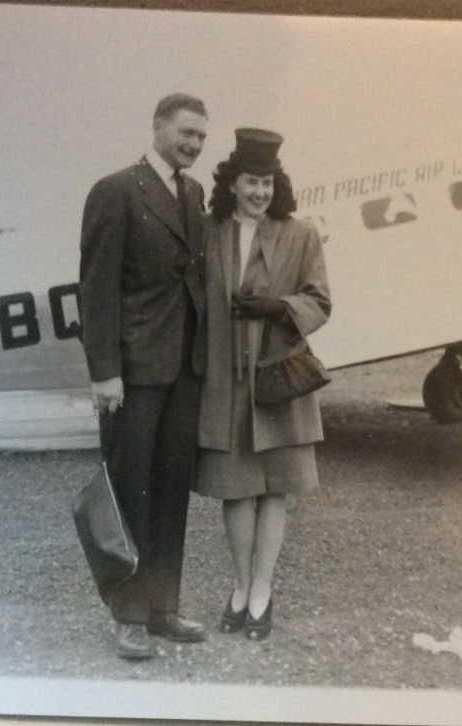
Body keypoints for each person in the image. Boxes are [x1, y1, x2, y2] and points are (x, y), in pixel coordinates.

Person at [77, 93, 209, 660]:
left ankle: (162, 608)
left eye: (202, 137)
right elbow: (97, 287)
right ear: (157, 126)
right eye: (185, 133)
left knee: (172, 488)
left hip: (183, 368)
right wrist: (105, 372)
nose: (194, 144)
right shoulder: (116, 190)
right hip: (133, 369)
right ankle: (127, 616)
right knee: (132, 487)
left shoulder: (194, 193)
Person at [195, 128, 331, 640]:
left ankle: (261, 594)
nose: (260, 193)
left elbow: (321, 301)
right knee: (236, 491)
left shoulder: (301, 234)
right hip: (225, 383)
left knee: (276, 491)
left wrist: (281, 308)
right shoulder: (208, 232)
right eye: (251, 182)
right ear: (232, 183)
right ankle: (239, 586)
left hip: (279, 382)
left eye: (268, 183)